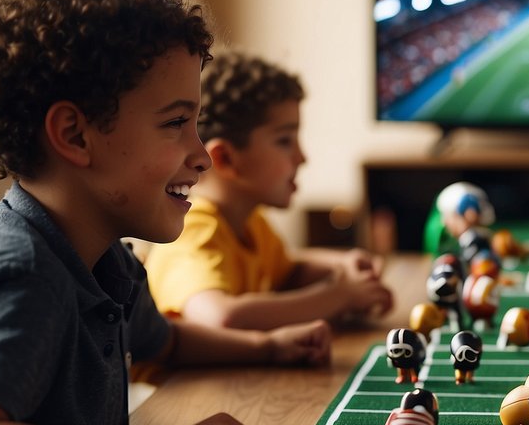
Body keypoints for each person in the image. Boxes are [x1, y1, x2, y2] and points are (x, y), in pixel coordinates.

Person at [0, 0, 333, 425]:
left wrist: (267, 346)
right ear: (74, 134)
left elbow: (163, 341)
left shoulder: (100, 259)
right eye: (175, 124)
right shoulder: (25, 272)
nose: (202, 154)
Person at [144, 52, 393, 330]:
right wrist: (338, 296)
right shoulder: (195, 230)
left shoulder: (250, 222)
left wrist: (342, 264)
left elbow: (289, 272)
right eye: (285, 140)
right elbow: (220, 317)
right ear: (226, 159)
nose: (302, 157)